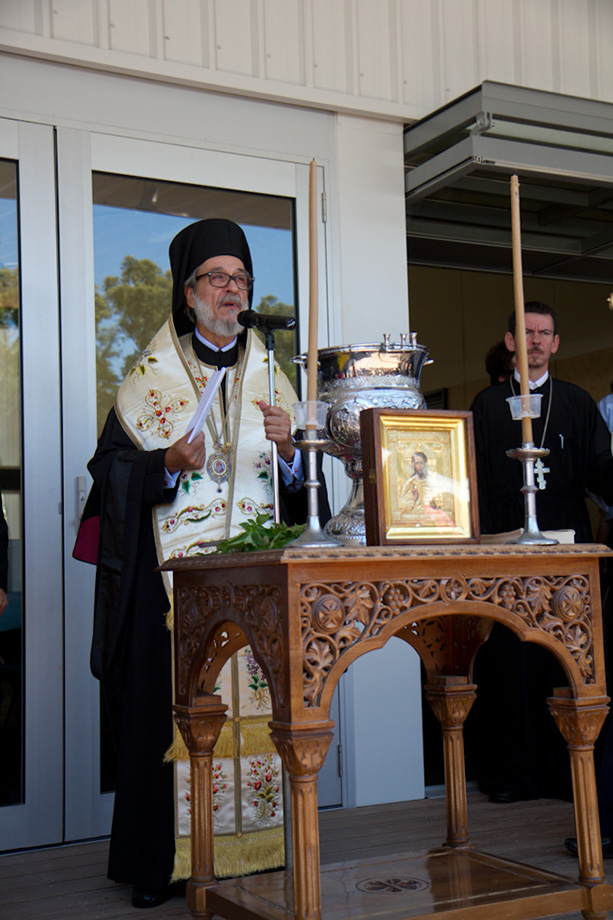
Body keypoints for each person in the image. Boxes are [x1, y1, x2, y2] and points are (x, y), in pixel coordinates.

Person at [78, 219, 330, 909]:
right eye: (216, 278)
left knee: (254, 716)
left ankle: (255, 855)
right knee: (170, 718)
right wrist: (163, 465)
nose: (230, 289)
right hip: (173, 591)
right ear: (186, 294)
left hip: (253, 585)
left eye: (240, 278)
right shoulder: (150, 376)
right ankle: (160, 864)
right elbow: (108, 474)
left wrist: (290, 452)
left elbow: (309, 495)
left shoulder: (271, 374)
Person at [469, 302, 613, 805]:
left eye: (544, 333)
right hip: (504, 557)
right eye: (526, 332)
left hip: (564, 559)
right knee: (509, 666)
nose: (534, 340)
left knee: (563, 664)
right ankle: (511, 776)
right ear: (510, 341)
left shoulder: (576, 402)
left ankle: (563, 776)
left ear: (556, 344)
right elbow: (473, 483)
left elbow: (602, 472)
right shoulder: (486, 405)